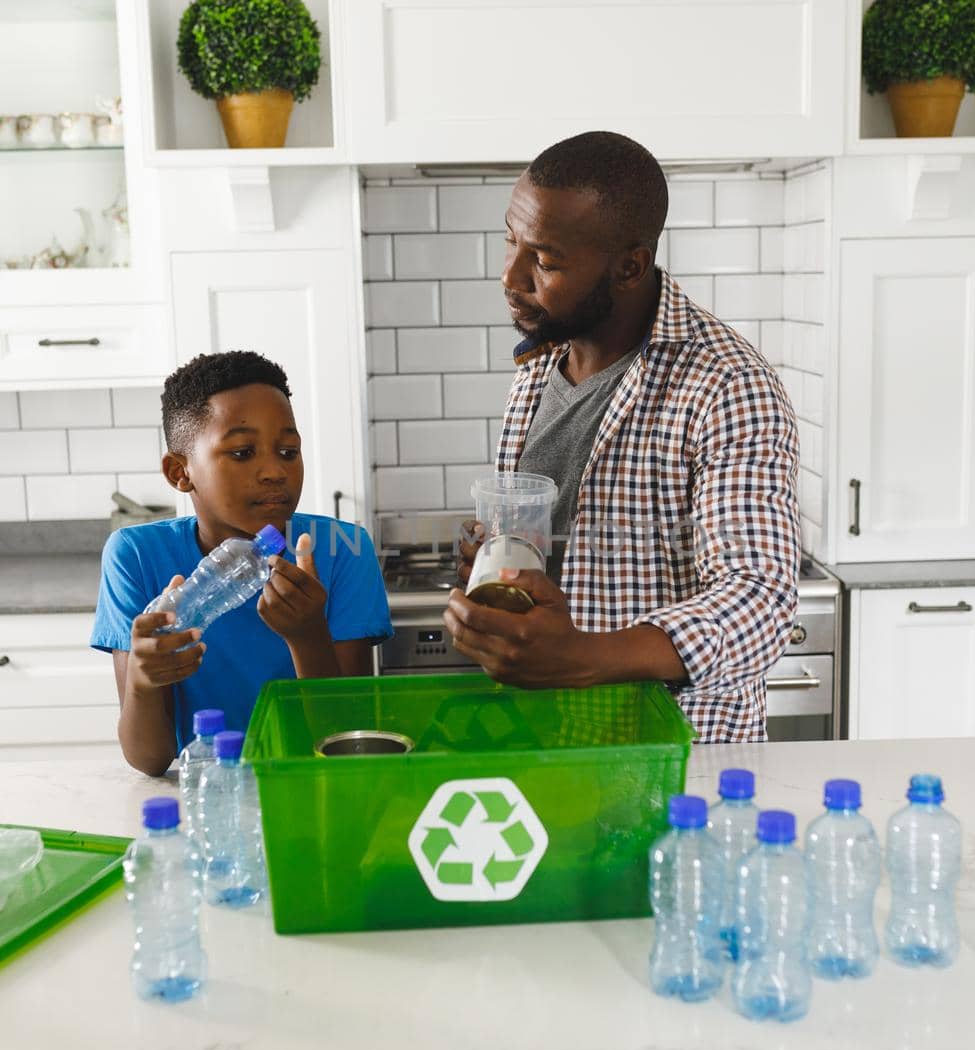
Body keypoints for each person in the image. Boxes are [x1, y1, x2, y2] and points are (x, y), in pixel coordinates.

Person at [447, 131, 800, 743]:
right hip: (553, 751)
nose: (510, 275)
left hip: (672, 768)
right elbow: (560, 562)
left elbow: (760, 602)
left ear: (630, 266)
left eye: (546, 261)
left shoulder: (727, 385)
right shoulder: (535, 373)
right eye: (511, 239)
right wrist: (495, 564)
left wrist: (583, 657)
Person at [92, 351, 392, 775]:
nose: (274, 471)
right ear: (180, 472)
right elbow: (149, 760)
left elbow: (346, 740)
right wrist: (143, 679)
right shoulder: (136, 555)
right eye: (242, 452)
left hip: (310, 790)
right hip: (205, 798)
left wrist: (308, 637)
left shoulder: (346, 549)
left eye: (288, 451)